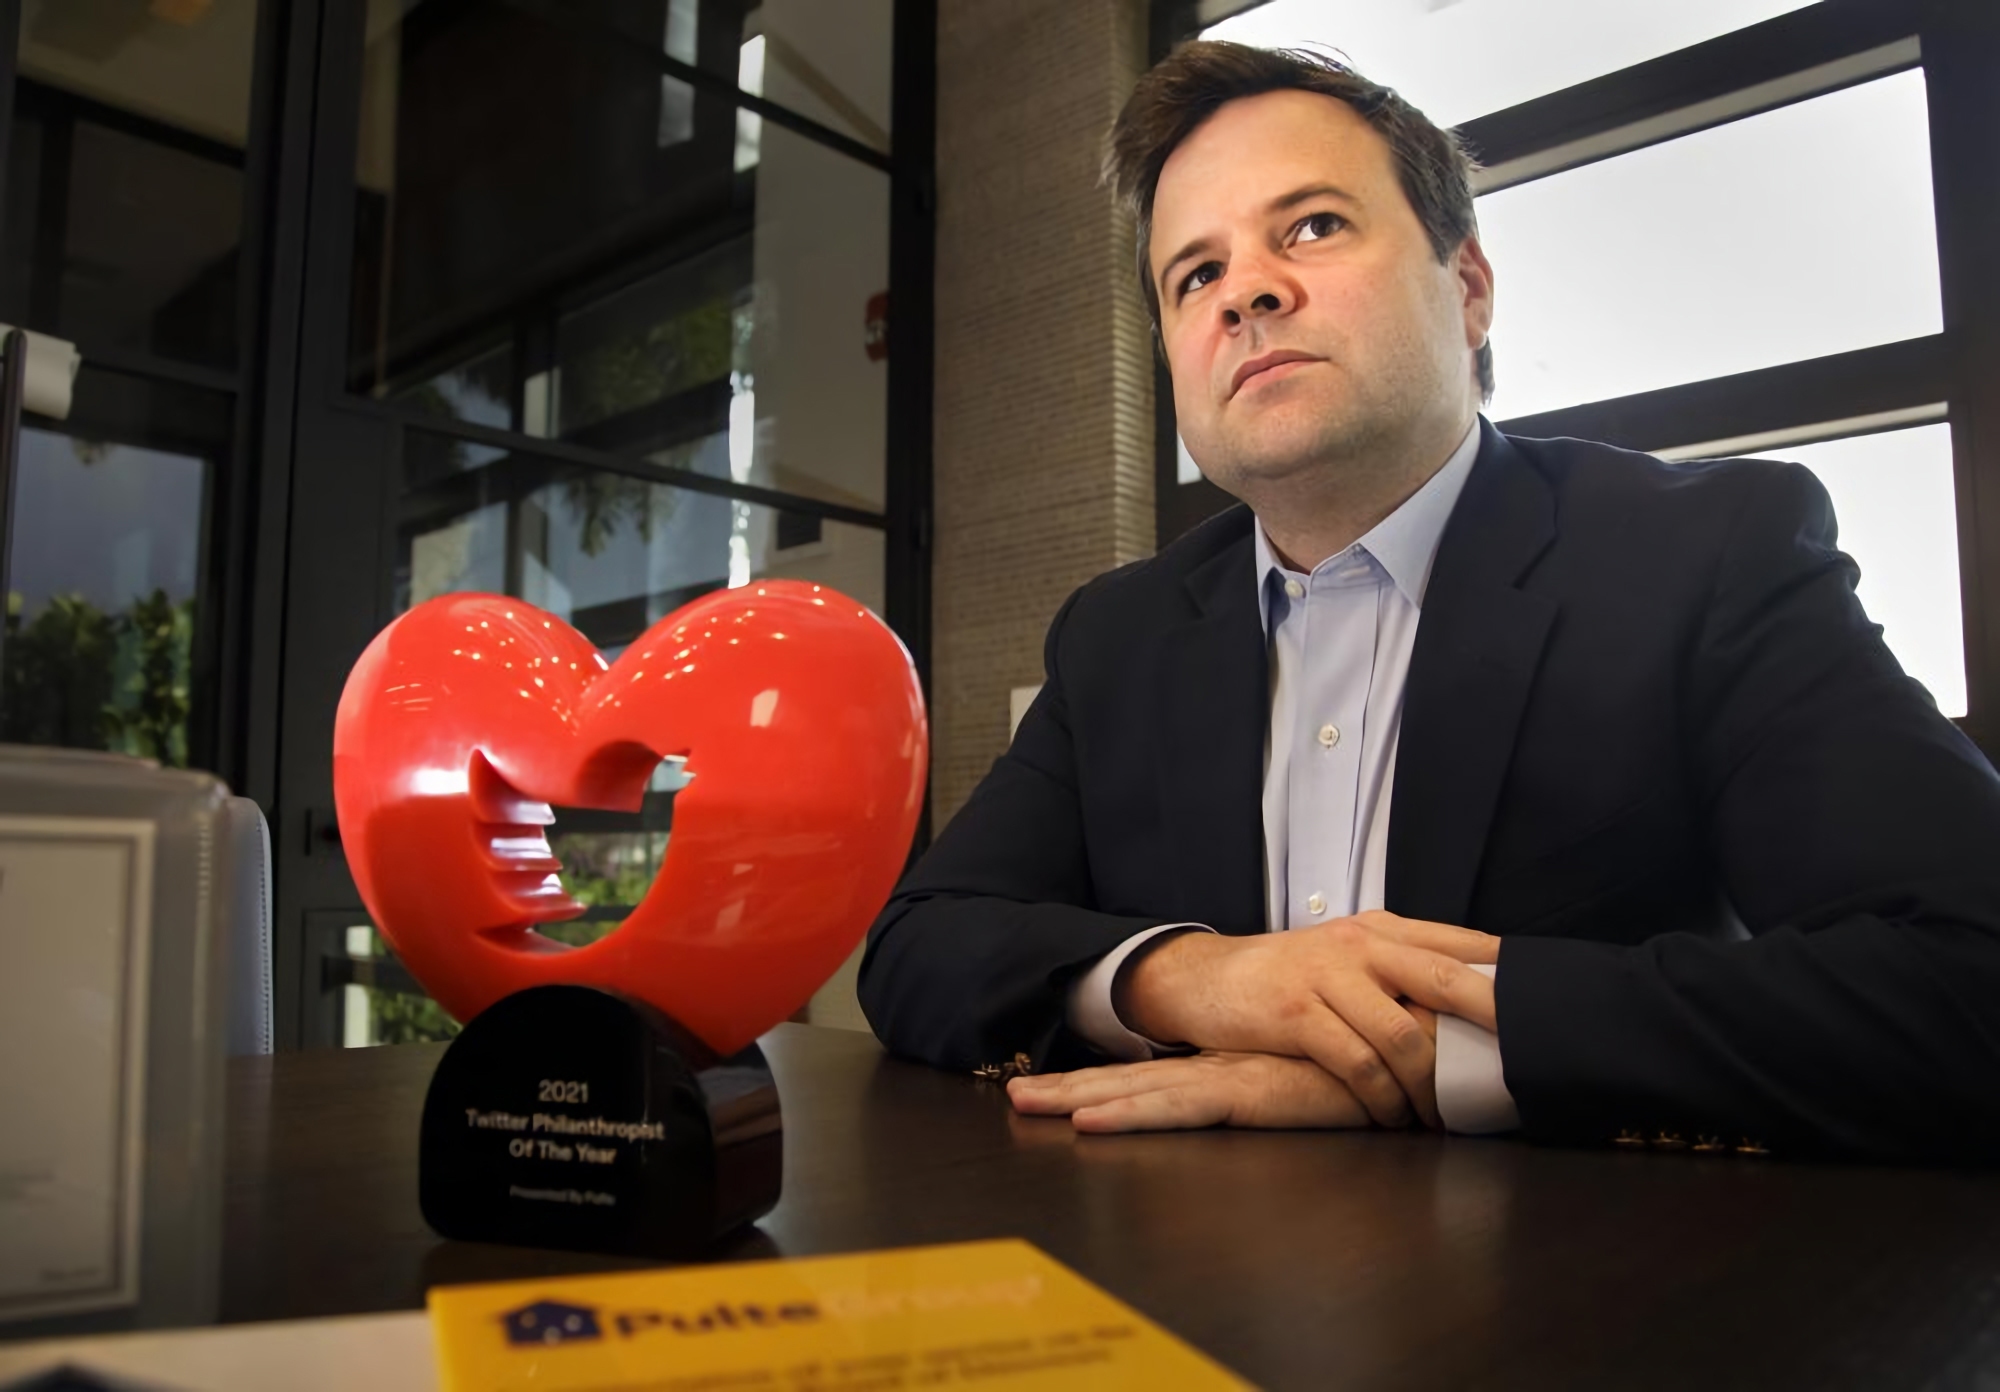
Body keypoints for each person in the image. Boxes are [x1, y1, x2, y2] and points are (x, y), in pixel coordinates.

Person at [857, 41, 2000, 1161]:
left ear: (1464, 290)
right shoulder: (1118, 633)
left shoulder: (1701, 555)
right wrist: (1192, 979)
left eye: (1310, 226)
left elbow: (1965, 977)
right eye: (1192, 274)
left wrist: (1424, 1058)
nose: (1245, 289)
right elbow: (920, 948)